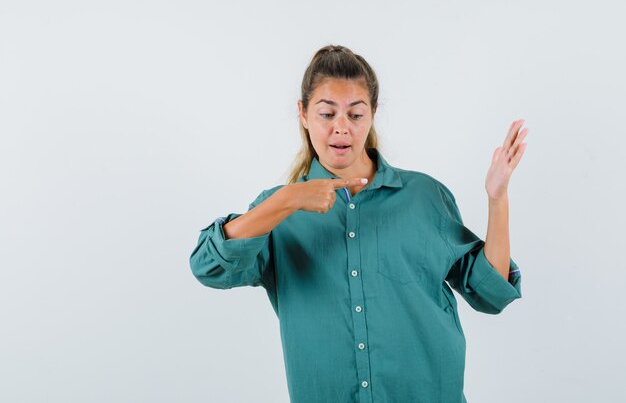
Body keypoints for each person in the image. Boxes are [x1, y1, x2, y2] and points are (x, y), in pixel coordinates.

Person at [189, 44, 528, 403]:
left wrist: (497, 198)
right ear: (303, 114)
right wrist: (288, 199)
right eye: (327, 114)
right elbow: (207, 267)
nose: (341, 129)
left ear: (372, 114)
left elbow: (491, 293)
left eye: (355, 114)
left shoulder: (424, 196)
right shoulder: (277, 212)